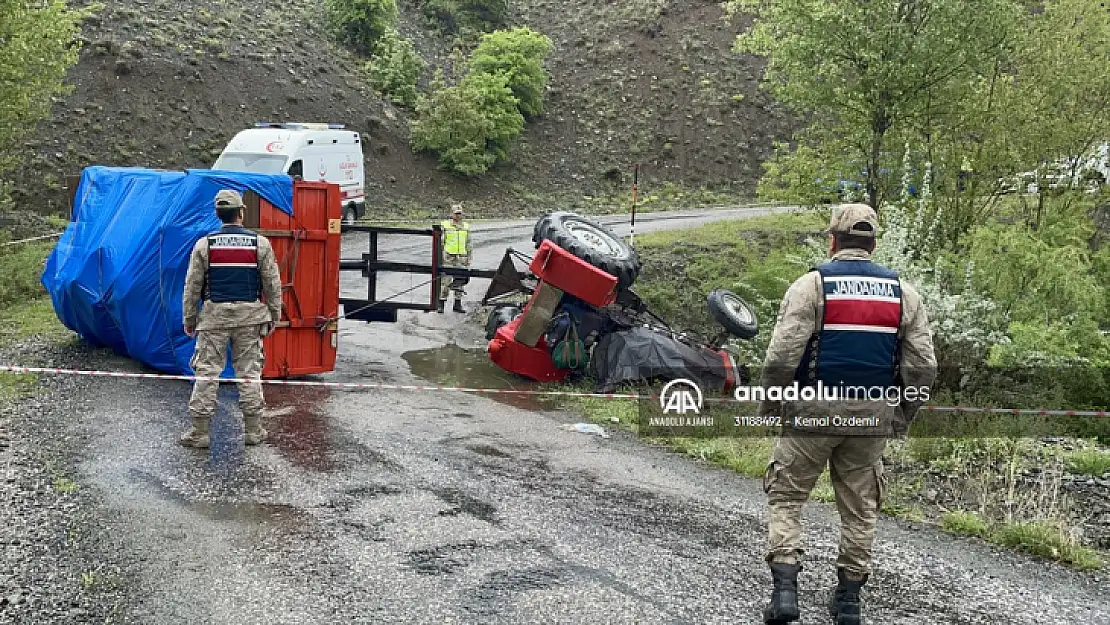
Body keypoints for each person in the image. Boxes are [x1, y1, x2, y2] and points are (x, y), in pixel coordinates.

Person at [756, 203, 937, 625]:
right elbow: (923, 365)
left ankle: (785, 594)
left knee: (787, 497)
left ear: (832, 241)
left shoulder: (811, 286)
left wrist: (770, 406)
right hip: (871, 413)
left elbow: (783, 354)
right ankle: (849, 602)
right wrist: (902, 416)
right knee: (860, 508)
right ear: (874, 244)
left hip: (812, 411)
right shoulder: (904, 294)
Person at [179, 189, 283, 449]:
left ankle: (200, 432)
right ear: (240, 213)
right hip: (249, 319)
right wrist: (273, 314)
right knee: (249, 373)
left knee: (207, 373)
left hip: (214, 319)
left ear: (217, 214)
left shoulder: (205, 245)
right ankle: (253, 430)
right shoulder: (260, 244)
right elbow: (272, 283)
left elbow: (192, 286)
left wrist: (190, 318)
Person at [438, 203, 472, 314]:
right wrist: (441, 256)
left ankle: (457, 304)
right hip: (448, 257)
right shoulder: (445, 225)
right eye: (456, 214)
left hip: (461, 257)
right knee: (445, 281)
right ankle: (441, 304)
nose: (458, 216)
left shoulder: (466, 226)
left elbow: (469, 243)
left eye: (460, 214)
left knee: (460, 281)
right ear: (452, 214)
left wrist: (469, 257)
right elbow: (441, 242)